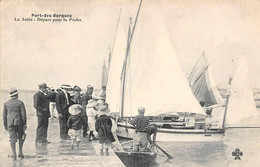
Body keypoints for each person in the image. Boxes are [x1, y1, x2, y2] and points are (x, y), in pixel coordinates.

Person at [3, 88, 27, 160]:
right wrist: (24, 124)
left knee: (12, 139)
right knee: (21, 137)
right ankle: (20, 152)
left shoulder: (6, 103)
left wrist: (5, 125)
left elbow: (4, 116)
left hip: (10, 123)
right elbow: (23, 115)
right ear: (17, 95)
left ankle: (14, 154)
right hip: (19, 122)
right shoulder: (20, 103)